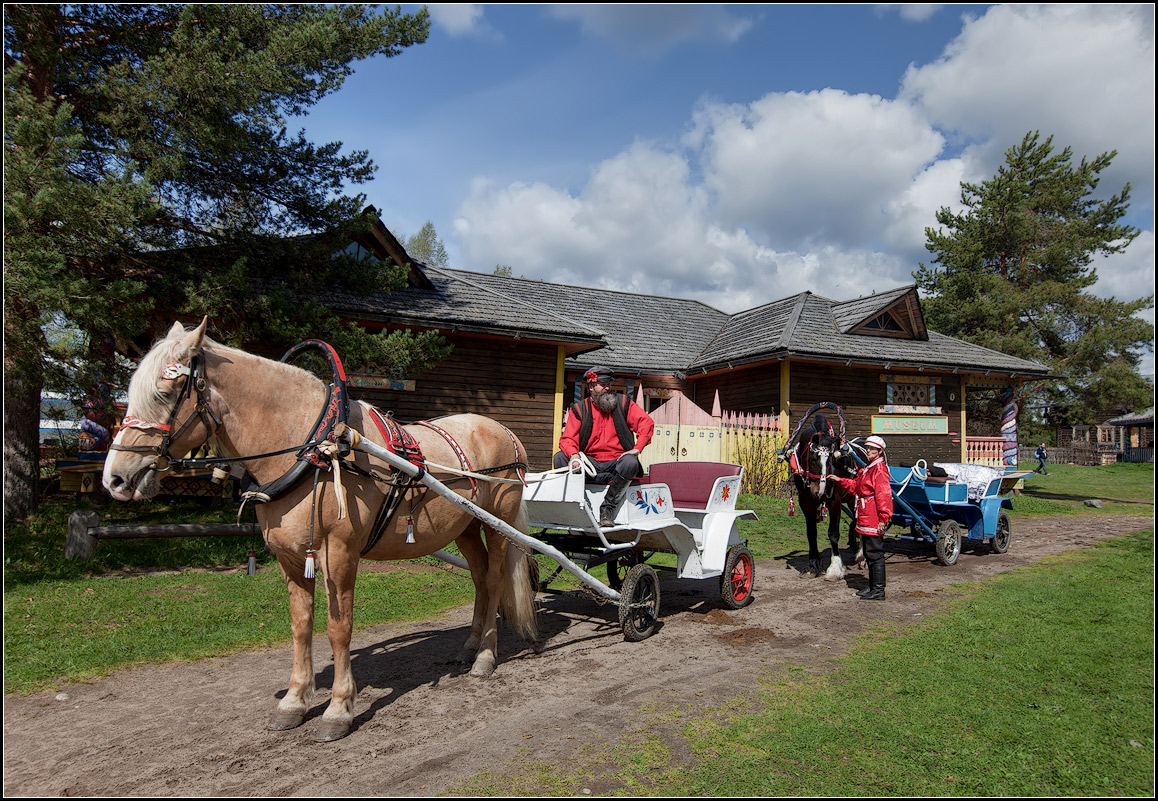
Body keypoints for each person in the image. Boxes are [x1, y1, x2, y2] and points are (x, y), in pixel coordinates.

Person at [553, 366, 655, 527]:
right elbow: (567, 439)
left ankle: (607, 509)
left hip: (617, 463)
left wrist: (638, 448)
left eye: (609, 384)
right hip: (589, 464)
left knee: (631, 462)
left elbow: (646, 423)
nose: (608, 388)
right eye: (603, 384)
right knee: (559, 457)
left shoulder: (624, 403)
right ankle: (579, 505)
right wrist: (574, 456)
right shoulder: (579, 409)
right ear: (591, 387)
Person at [835, 435, 893, 601]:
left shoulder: (879, 470)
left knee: (875, 552)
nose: (868, 451)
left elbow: (884, 495)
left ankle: (879, 590)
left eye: (872, 449)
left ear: (880, 451)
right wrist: (840, 480)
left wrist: (884, 518)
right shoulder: (868, 468)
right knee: (868, 552)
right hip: (864, 515)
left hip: (874, 516)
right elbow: (856, 486)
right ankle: (872, 586)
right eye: (867, 448)